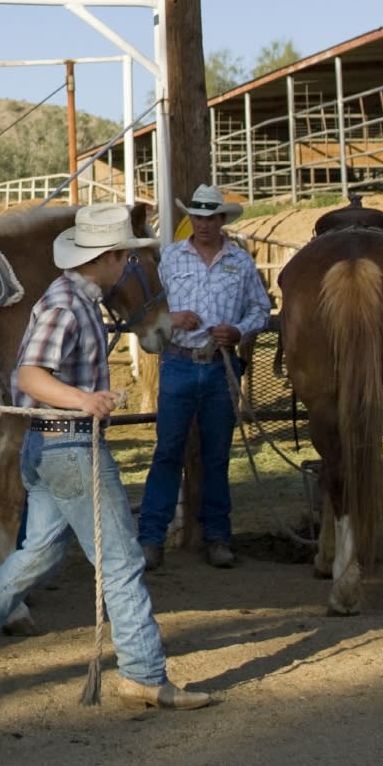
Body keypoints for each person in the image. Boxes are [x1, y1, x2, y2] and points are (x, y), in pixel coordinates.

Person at [0, 203, 211, 711]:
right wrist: (84, 400)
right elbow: (28, 376)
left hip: (54, 447)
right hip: (69, 446)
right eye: (126, 257)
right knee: (121, 562)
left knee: (36, 556)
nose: (128, 266)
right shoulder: (65, 305)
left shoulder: (77, 300)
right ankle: (143, 673)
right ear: (110, 257)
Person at [137, 184, 272, 572]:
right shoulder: (169, 259)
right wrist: (171, 319)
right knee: (167, 453)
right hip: (178, 363)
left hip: (219, 365)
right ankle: (151, 538)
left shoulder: (241, 263)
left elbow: (260, 309)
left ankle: (217, 537)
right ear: (191, 218)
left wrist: (238, 331)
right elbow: (147, 311)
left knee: (216, 457)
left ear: (221, 220)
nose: (203, 224)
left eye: (210, 217)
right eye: (197, 217)